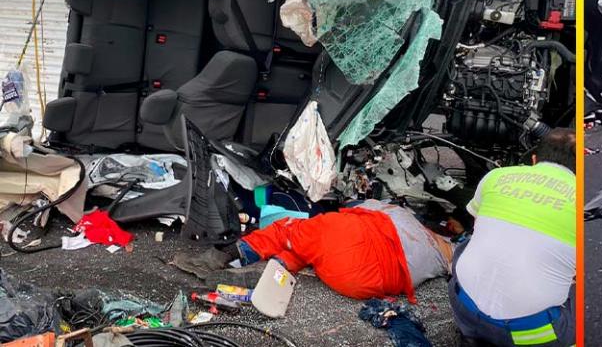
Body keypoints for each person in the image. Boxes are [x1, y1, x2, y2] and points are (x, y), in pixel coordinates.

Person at [175, 199, 454, 303]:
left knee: (289, 230)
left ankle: (226, 254)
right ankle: (275, 269)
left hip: (355, 252)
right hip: (371, 284)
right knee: (307, 250)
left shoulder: (398, 214)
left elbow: (362, 209)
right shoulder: (441, 252)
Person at [448, 128, 576, 347]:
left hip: (463, 307)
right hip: (528, 334)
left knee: (468, 243)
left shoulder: (497, 176)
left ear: (534, 160)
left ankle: (473, 334)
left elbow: (477, 225)